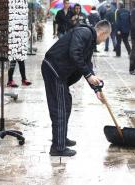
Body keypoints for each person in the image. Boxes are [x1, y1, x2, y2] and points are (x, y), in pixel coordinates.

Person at [41, 20, 111, 156]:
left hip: (60, 73)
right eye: (105, 38)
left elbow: (87, 65)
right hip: (54, 69)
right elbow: (75, 53)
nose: (103, 41)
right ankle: (58, 148)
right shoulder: (83, 33)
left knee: (66, 104)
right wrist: (89, 75)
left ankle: (61, 139)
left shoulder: (89, 41)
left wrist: (97, 89)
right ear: (102, 33)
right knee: (60, 108)